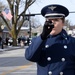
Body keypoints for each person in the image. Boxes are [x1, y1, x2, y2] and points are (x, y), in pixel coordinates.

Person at [25, 4, 75, 75]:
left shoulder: (72, 42)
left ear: (63, 23)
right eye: (49, 21)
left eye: (56, 20)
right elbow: (29, 56)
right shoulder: (39, 41)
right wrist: (43, 36)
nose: (52, 24)